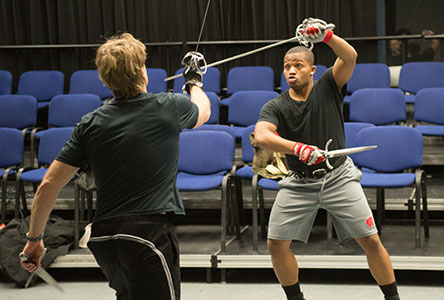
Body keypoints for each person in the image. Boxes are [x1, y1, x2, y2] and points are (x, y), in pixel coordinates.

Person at [19, 32, 211, 300]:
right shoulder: (169, 107)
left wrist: (34, 239)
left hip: (105, 240)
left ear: (104, 78)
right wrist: (194, 81)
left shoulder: (89, 123)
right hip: (148, 236)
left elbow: (48, 185)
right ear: (142, 71)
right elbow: (203, 111)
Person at [254, 18, 400, 300]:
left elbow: (350, 56)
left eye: (298, 65)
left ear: (312, 69)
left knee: (371, 240)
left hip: (338, 177)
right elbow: (261, 136)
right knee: (276, 244)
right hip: (298, 182)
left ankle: (392, 298)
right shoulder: (276, 105)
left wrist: (327, 36)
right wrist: (297, 148)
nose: (291, 71)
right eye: (287, 66)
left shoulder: (328, 86)